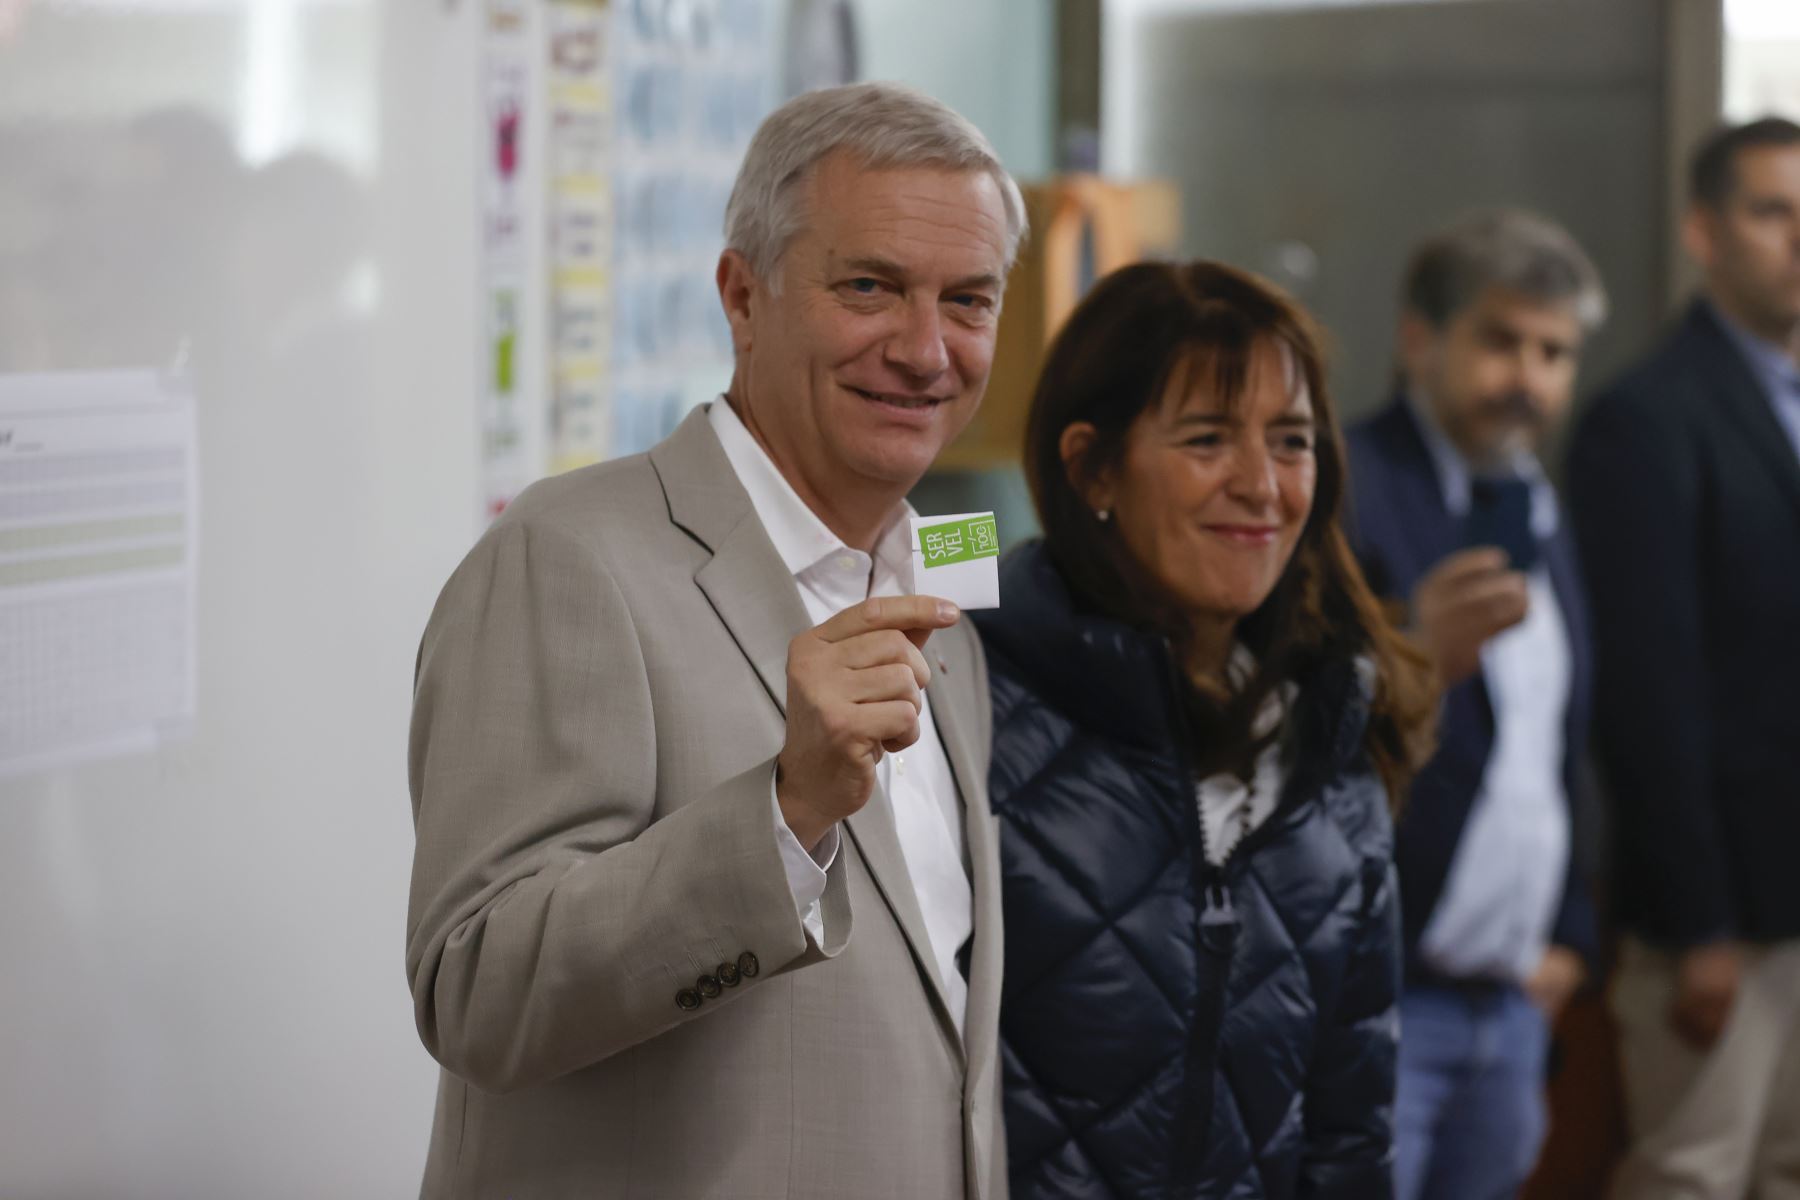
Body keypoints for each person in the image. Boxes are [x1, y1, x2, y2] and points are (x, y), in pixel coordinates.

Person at [405, 82, 1024, 1199]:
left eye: (968, 300)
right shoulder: (568, 555)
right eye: (871, 287)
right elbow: (477, 989)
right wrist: (785, 812)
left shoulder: (944, 576)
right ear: (744, 295)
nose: (927, 350)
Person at [979, 259, 1436, 1199]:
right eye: (1206, 439)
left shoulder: (1333, 731)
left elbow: (1351, 1133)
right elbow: (900, 551)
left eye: (1293, 441)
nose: (1263, 486)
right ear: (1092, 466)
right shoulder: (971, 684)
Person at [1343, 209, 1606, 1200]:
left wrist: (1572, 933)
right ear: (1421, 339)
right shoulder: (1349, 484)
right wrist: (1413, 652)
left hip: (1514, 994)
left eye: (1554, 352)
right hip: (1385, 994)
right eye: (1502, 341)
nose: (1528, 379)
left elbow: (1553, 740)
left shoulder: (1533, 498)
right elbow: (1299, 718)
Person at [1568, 116, 1800, 1200]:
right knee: (1693, 1177)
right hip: (1721, 920)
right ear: (1706, 232)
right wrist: (1697, 924)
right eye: (1772, 211)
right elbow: (1649, 690)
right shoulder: (1649, 417)